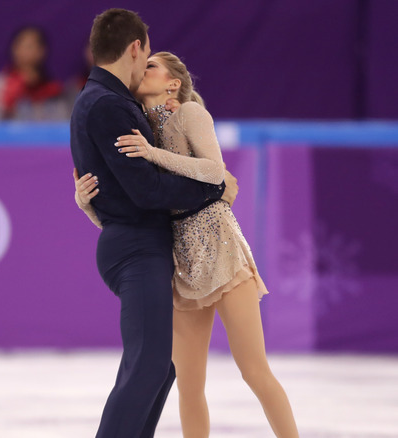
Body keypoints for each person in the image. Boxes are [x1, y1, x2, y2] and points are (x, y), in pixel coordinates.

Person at [75, 52, 300, 437]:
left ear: (173, 83)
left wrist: (152, 153)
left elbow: (215, 172)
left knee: (253, 369)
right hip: (180, 260)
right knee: (189, 383)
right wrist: (86, 203)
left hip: (221, 249)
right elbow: (137, 205)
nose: (141, 69)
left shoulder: (190, 114)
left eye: (151, 66)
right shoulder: (138, 127)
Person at [69, 9, 238, 438]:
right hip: (136, 247)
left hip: (139, 244)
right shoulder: (108, 104)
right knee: (148, 365)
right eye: (146, 56)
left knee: (160, 367)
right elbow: (145, 191)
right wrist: (212, 191)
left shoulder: (104, 98)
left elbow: (112, 185)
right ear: (134, 48)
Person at [0, 25, 67, 120]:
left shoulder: (54, 89)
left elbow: (61, 121)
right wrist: (18, 88)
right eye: (24, 46)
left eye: (34, 46)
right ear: (14, 49)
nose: (28, 52)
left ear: (43, 51)